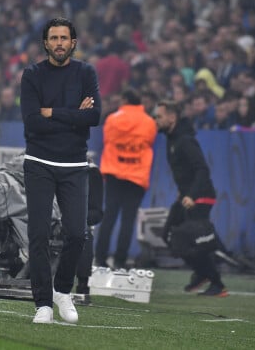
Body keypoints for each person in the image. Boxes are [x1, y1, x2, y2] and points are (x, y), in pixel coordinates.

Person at [20, 17, 101, 324]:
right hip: (39, 162)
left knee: (78, 235)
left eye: (63, 38)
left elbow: (94, 116)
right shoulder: (32, 75)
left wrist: (52, 113)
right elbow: (32, 122)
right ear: (45, 43)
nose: (58, 43)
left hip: (75, 165)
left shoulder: (86, 72)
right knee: (38, 235)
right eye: (53, 38)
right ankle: (42, 303)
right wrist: (72, 118)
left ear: (73, 42)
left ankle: (62, 291)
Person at [155, 100, 228, 297]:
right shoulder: (172, 138)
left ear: (172, 117)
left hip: (200, 197)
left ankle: (216, 283)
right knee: (169, 235)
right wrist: (183, 192)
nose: (156, 120)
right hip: (187, 196)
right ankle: (202, 273)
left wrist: (191, 194)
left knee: (193, 241)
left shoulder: (185, 140)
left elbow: (202, 169)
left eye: (159, 116)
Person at [95, 89, 157, 269]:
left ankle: (100, 257)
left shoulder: (113, 119)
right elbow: (150, 141)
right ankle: (121, 260)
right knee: (128, 220)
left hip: (115, 173)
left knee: (109, 217)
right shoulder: (149, 122)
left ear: (124, 100)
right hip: (136, 176)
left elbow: (108, 140)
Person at [75, 158, 104, 301]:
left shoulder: (90, 173)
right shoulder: (42, 164)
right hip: (45, 215)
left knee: (83, 232)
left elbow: (96, 212)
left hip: (73, 218)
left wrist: (73, 216)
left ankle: (82, 284)